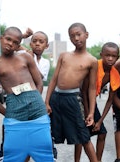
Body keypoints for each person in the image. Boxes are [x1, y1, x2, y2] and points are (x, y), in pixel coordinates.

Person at [0, 27, 54, 162]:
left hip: (36, 106)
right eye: (8, 39)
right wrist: (7, 113)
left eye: (15, 42)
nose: (10, 43)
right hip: (14, 108)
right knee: (13, 152)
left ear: (18, 45)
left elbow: (39, 82)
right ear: (1, 38)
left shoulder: (25, 57)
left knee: (44, 150)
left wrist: (37, 100)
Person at [45, 22, 98, 162]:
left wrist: (91, 112)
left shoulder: (91, 61)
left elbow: (92, 88)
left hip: (73, 99)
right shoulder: (64, 56)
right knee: (45, 133)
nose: (76, 38)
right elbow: (53, 80)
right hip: (56, 98)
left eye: (78, 34)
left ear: (86, 35)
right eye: (72, 36)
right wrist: (47, 102)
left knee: (83, 136)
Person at [75, 42, 120, 162]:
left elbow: (110, 99)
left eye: (113, 56)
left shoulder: (114, 74)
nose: (110, 58)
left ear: (117, 57)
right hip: (79, 98)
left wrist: (99, 121)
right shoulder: (94, 66)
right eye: (107, 55)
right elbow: (83, 91)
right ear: (101, 55)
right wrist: (87, 113)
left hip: (91, 100)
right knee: (82, 134)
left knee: (102, 133)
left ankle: (98, 160)